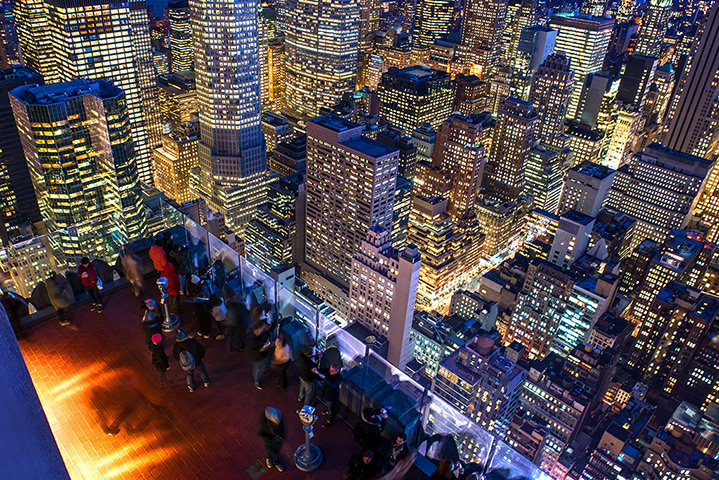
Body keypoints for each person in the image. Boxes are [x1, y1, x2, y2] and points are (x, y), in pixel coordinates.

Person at [257, 407, 285, 472]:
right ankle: (268, 459)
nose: (277, 419)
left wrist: (282, 437)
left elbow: (283, 428)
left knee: (276, 452)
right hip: (269, 441)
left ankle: (276, 463)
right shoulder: (264, 424)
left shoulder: (279, 417)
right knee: (268, 451)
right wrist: (270, 438)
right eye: (274, 418)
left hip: (278, 441)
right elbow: (260, 433)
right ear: (270, 419)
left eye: (276, 416)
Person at [247, 320, 272, 389]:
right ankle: (257, 381)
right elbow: (256, 350)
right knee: (257, 370)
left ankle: (266, 370)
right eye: (262, 328)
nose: (263, 329)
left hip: (263, 354)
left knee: (266, 362)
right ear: (258, 329)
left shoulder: (262, 333)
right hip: (257, 357)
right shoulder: (252, 339)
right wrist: (266, 347)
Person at [321, 362, 342, 427]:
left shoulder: (339, 378)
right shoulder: (330, 372)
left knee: (331, 408)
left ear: (337, 371)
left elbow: (332, 385)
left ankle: (330, 420)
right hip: (327, 393)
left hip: (332, 396)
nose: (330, 371)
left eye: (332, 370)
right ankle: (328, 412)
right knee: (329, 406)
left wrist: (324, 379)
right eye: (330, 369)